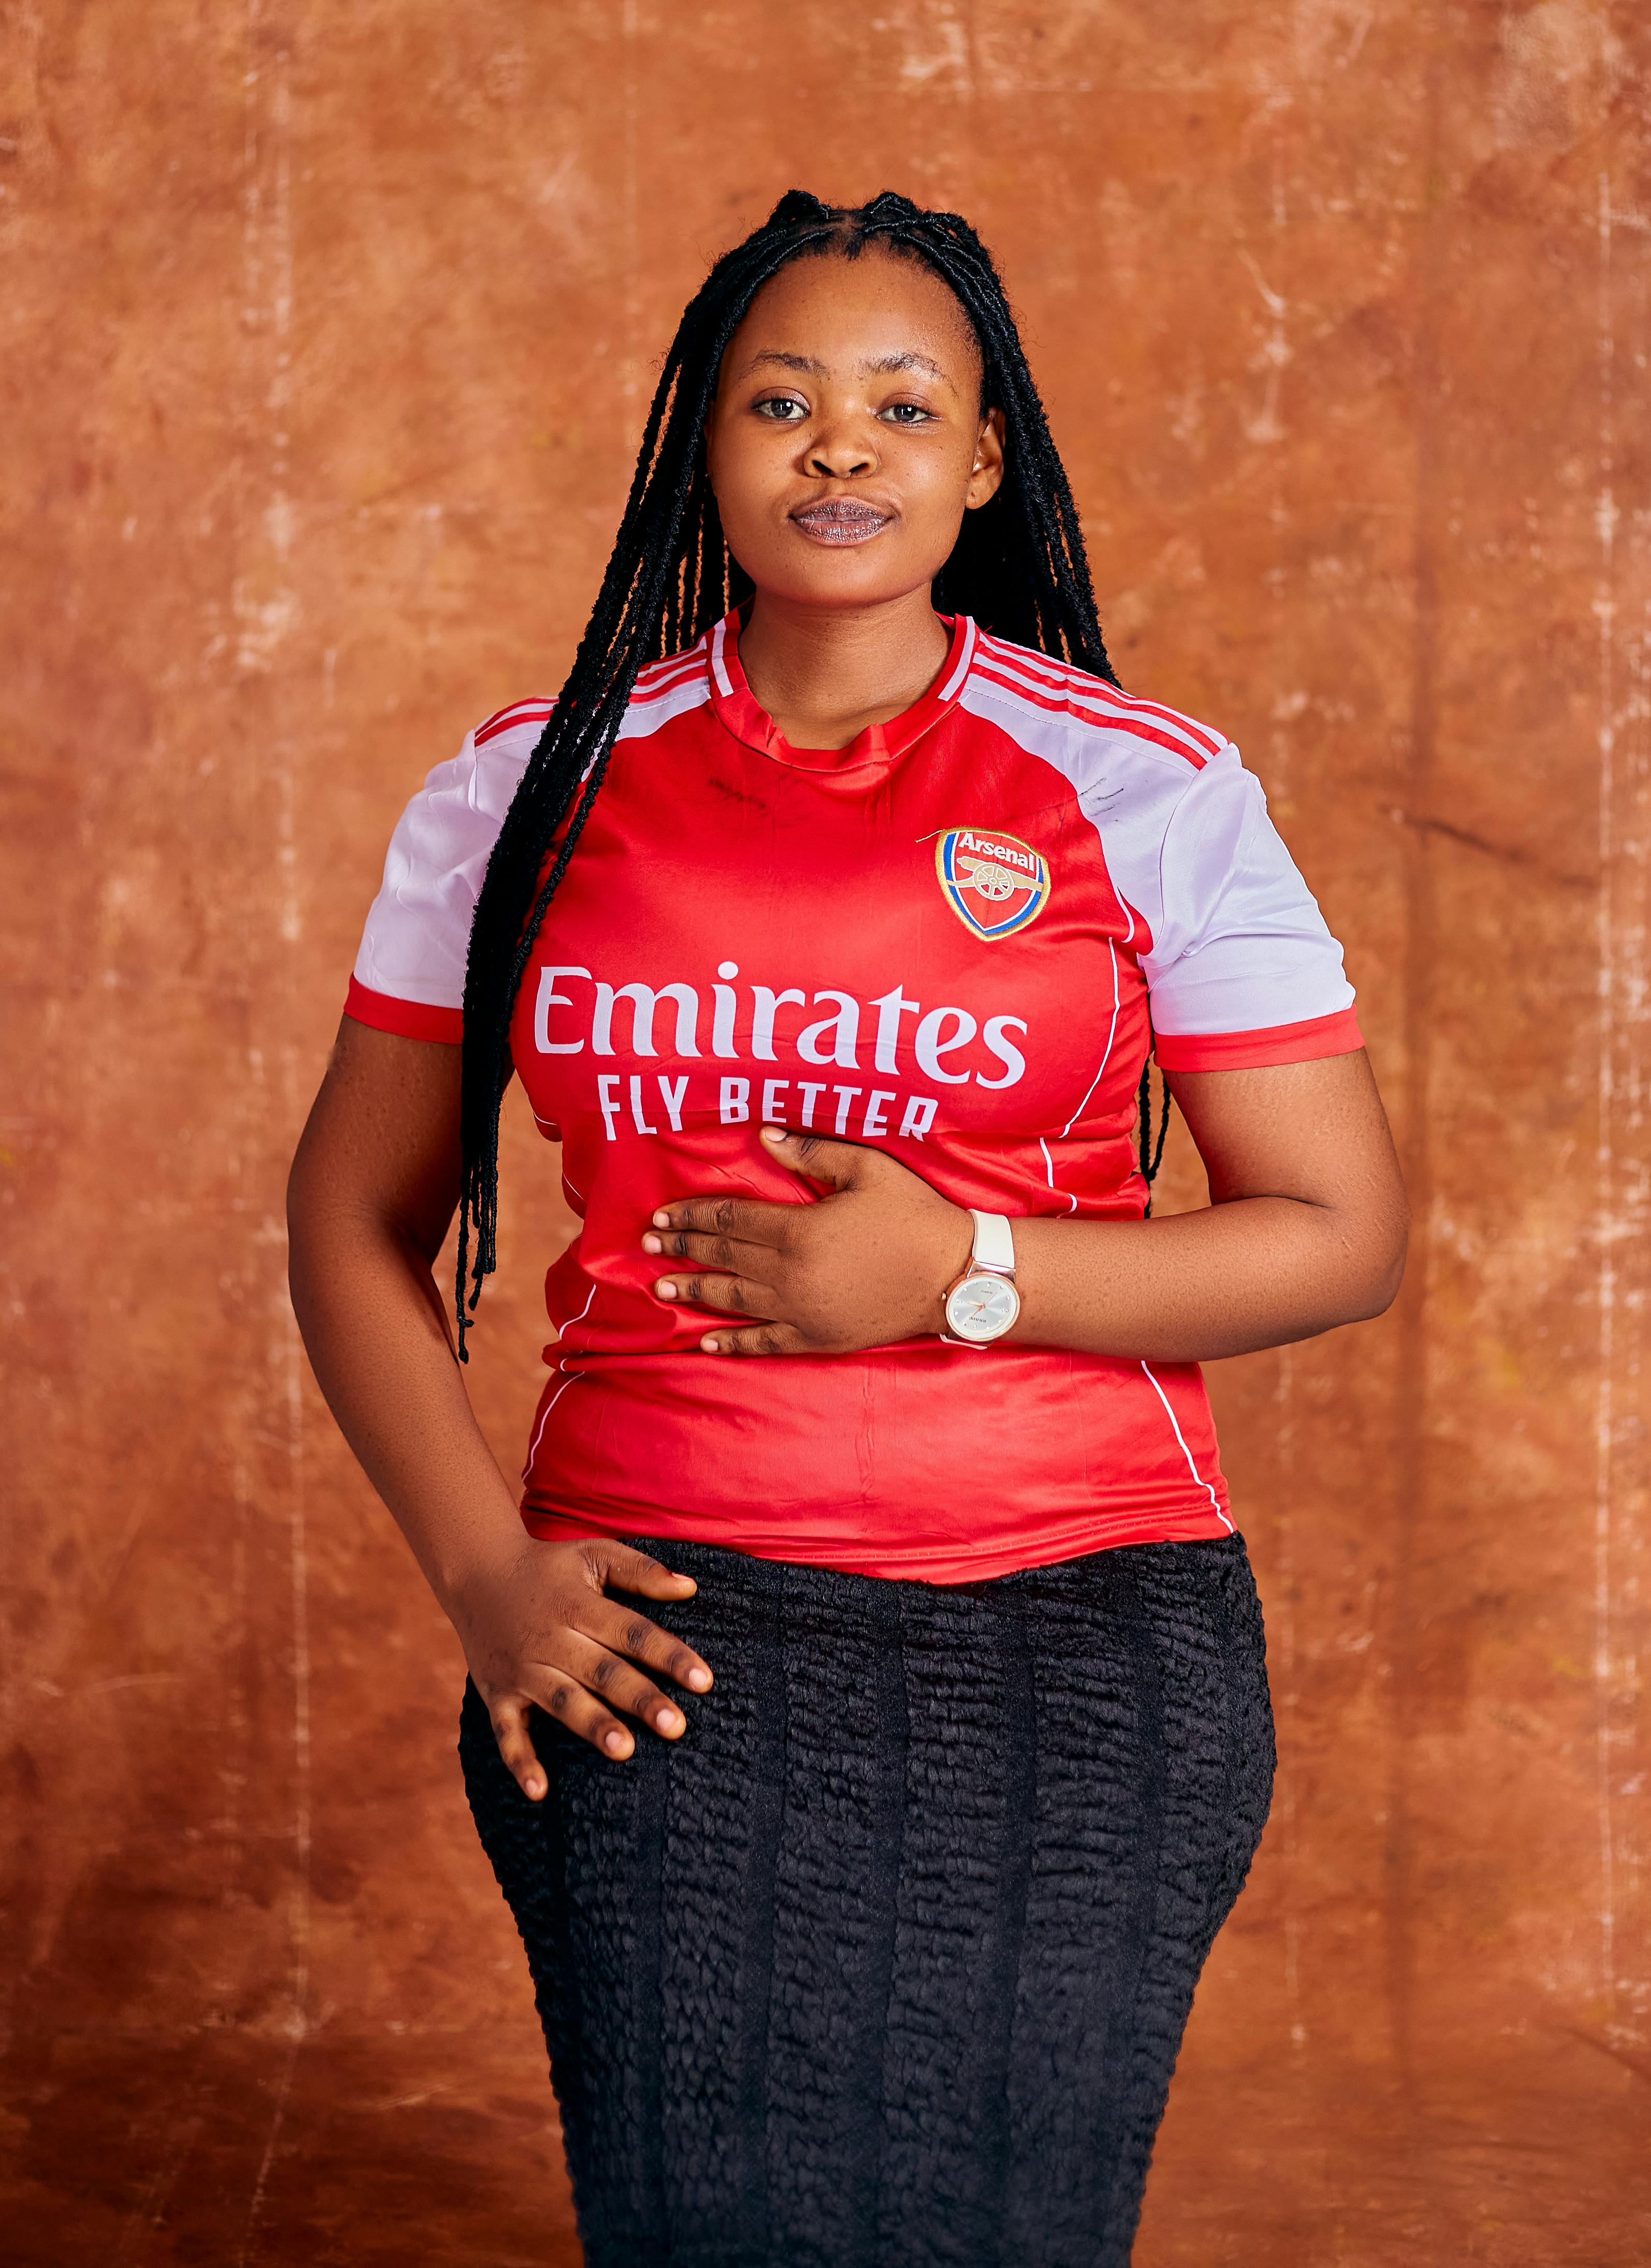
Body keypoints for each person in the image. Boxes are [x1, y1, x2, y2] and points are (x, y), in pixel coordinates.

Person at [287, 190, 1407, 2268]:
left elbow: (1340, 1228)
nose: (838, 445)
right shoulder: (522, 794)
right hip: (658, 1640)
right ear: (701, 440)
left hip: (1084, 1633)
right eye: (780, 399)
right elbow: (351, 1220)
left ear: (981, 462)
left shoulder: (1142, 784)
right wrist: (482, 1579)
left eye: (904, 404)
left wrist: (972, 1274)